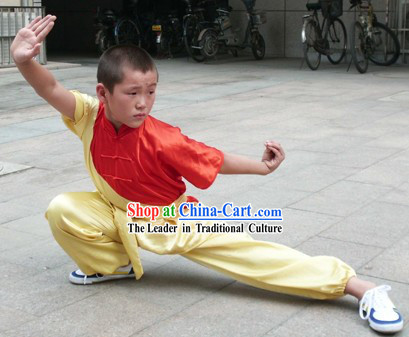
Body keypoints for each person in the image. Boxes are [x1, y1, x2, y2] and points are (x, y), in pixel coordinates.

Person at [10, 15, 403, 334]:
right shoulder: (89, 115)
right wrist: (25, 60)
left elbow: (214, 159)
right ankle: (114, 266)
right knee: (63, 209)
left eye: (151, 91)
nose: (143, 103)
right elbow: (51, 88)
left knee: (249, 251)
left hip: (169, 217)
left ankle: (358, 287)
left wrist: (262, 167)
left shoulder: (164, 139)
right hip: (116, 211)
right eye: (132, 93)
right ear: (103, 93)